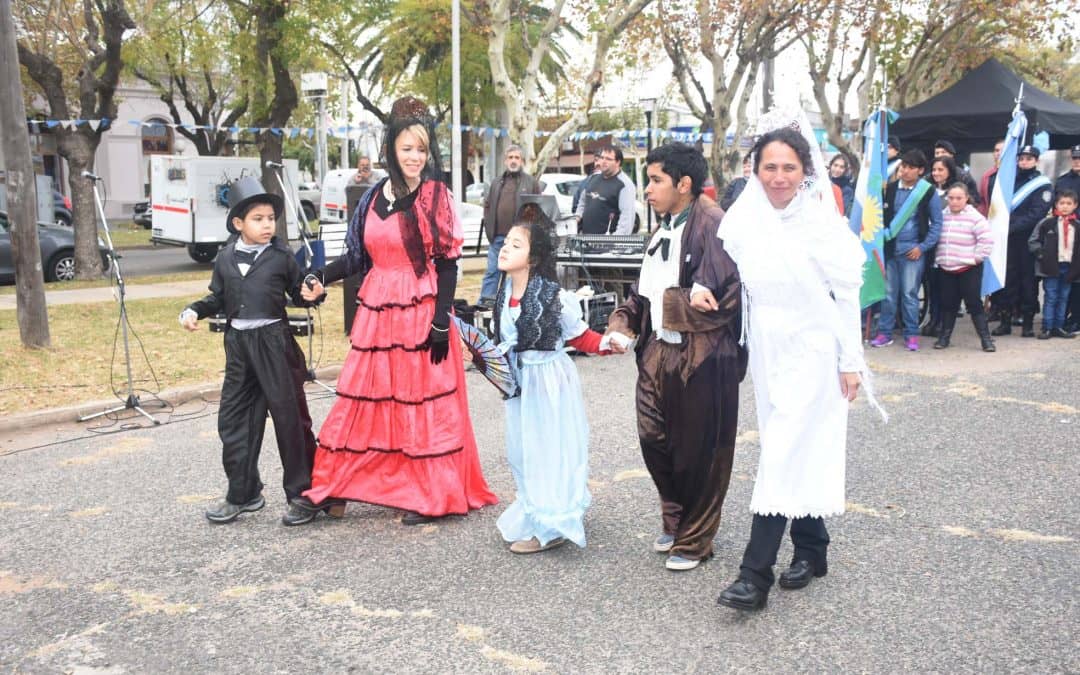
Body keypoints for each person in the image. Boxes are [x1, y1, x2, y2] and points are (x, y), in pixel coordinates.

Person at [300, 96, 498, 525]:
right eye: (407, 148)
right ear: (391, 148)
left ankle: (431, 493)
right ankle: (338, 487)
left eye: (421, 149)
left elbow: (448, 263)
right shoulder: (373, 196)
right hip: (378, 314)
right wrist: (320, 275)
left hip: (422, 312)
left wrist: (442, 320)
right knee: (364, 399)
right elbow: (356, 257)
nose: (414, 157)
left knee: (420, 404)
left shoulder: (435, 196)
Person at [714, 110, 879, 612]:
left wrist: (850, 361)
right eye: (770, 167)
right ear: (755, 169)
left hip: (814, 350)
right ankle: (812, 547)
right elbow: (736, 280)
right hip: (770, 351)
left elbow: (847, 296)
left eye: (789, 167)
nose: (779, 177)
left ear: (805, 171)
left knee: (782, 451)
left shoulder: (821, 225)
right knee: (790, 446)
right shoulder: (746, 220)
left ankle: (754, 575)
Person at [605, 142, 745, 572]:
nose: (647, 190)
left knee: (700, 452)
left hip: (702, 357)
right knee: (654, 440)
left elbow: (729, 298)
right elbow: (641, 294)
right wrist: (622, 323)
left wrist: (677, 300)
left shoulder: (714, 224)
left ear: (684, 184)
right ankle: (676, 521)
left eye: (655, 180)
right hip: (657, 353)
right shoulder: (662, 227)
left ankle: (696, 539)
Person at [180, 176, 334, 526]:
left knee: (290, 421)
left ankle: (303, 494)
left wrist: (314, 292)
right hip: (239, 348)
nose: (267, 225)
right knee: (234, 421)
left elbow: (300, 291)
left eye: (271, 219)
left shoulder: (281, 256)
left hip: (274, 344)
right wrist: (193, 311)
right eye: (258, 219)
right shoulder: (224, 258)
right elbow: (218, 298)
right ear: (239, 223)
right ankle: (243, 493)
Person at [490, 208, 619, 554]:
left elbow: (579, 336)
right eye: (506, 242)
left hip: (547, 382)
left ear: (533, 258)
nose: (505, 249)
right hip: (519, 384)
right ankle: (535, 511)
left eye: (516, 245)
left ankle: (552, 526)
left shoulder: (553, 296)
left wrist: (608, 344)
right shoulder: (503, 292)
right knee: (521, 451)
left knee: (548, 449)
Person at [870, 149, 942, 351]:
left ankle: (911, 334)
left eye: (910, 167)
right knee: (888, 294)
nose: (905, 171)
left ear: (920, 170)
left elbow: (937, 223)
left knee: (910, 294)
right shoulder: (889, 189)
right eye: (903, 166)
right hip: (890, 250)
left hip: (913, 252)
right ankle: (885, 333)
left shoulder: (927, 192)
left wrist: (922, 247)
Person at [990, 145, 1053, 338]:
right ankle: (1005, 321)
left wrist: (1012, 227)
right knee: (1008, 280)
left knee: (1028, 281)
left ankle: (1027, 323)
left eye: (1029, 159)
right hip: (1008, 240)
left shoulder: (1042, 185)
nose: (1024, 162)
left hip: (1028, 239)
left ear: (1036, 161)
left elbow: (1037, 213)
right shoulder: (1009, 180)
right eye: (1022, 158)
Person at [477, 145, 543, 310]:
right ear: (505, 161)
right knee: (492, 272)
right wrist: (490, 231)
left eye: (517, 158)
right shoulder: (496, 182)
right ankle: (485, 306)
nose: (513, 161)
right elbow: (488, 206)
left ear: (522, 161)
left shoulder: (531, 182)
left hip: (520, 240)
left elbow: (539, 208)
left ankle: (522, 306)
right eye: (510, 157)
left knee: (522, 274)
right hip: (498, 238)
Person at [933, 183, 996, 351]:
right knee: (948, 304)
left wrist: (975, 259)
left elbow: (986, 240)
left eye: (959, 198)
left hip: (969, 269)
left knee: (974, 304)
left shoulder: (975, 217)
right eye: (951, 198)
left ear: (966, 198)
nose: (954, 202)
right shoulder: (941, 216)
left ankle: (986, 340)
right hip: (946, 268)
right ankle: (944, 338)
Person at [1028, 189, 1079, 339]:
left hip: (1070, 267)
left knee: (1064, 297)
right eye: (1062, 203)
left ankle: (1059, 326)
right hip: (1051, 267)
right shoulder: (1046, 223)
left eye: (1069, 203)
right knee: (1051, 296)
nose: (1065, 206)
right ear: (1056, 204)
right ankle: (1047, 327)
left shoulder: (1077, 226)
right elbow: (1033, 241)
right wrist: (1042, 255)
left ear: (1075, 205)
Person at [575, 144, 637, 235]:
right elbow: (583, 201)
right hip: (585, 239)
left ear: (618, 162)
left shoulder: (625, 184)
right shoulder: (593, 177)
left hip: (607, 241)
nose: (603, 161)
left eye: (608, 159)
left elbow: (627, 219)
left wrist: (615, 241)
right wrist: (577, 217)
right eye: (602, 158)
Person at [1054, 146, 1080, 332]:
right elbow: (1056, 206)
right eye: (1075, 158)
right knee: (1069, 278)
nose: (1077, 161)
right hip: (1067, 234)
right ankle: (1065, 316)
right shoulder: (1063, 181)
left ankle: (1077, 317)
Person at [933, 140, 981, 207]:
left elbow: (975, 200)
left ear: (951, 155)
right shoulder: (929, 177)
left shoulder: (963, 176)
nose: (940, 155)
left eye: (943, 152)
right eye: (937, 153)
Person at [978, 140, 1004, 216]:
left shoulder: (1017, 174)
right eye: (997, 150)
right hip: (991, 218)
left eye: (1002, 150)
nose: (999, 153)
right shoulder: (987, 175)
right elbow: (982, 201)